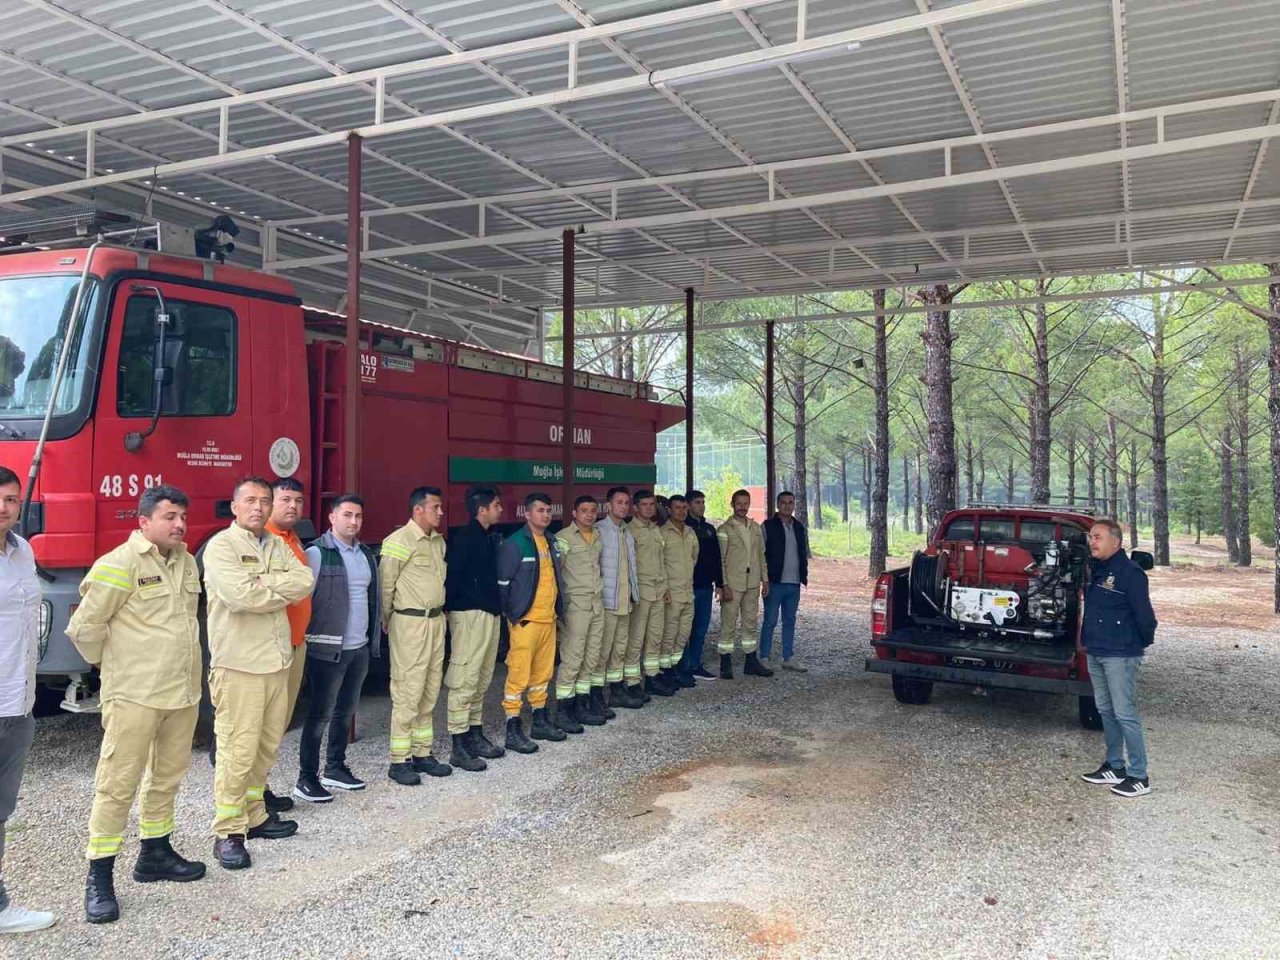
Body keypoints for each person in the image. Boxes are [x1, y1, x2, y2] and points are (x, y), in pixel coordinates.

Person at [67, 485, 206, 923]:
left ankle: (155, 853)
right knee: (118, 783)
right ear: (144, 522)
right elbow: (84, 628)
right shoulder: (119, 563)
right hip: (135, 696)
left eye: (183, 516)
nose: (179, 524)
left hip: (181, 693)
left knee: (167, 777)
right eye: (169, 516)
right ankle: (99, 876)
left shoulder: (186, 562)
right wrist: (116, 666)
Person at [202, 477, 315, 871]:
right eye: (249, 500)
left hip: (277, 660)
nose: (258, 507)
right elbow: (239, 596)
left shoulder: (277, 545)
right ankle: (228, 831)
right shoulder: (221, 547)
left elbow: (304, 581)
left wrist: (262, 584)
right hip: (240, 665)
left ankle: (254, 815)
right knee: (237, 750)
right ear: (234, 506)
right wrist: (276, 588)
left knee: (266, 745)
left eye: (264, 501)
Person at [293, 494, 381, 803]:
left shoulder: (365, 554)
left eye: (358, 516)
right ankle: (306, 778)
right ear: (332, 518)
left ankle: (335, 768)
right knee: (320, 715)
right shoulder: (317, 554)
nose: (354, 521)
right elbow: (304, 601)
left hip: (358, 648)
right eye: (347, 515)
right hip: (327, 650)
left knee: (346, 711)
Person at [0, 466, 55, 934]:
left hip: (18, 702)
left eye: (11, 499)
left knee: (1, 810)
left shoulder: (24, 551)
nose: (3, 507)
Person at [379, 487, 452, 787]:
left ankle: (423, 752)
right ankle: (399, 760)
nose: (441, 512)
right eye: (436, 507)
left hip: (435, 621)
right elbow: (386, 586)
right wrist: (387, 620)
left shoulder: (438, 542)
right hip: (410, 623)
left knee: (430, 689)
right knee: (408, 690)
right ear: (418, 510)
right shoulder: (398, 541)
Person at [1079, 518, 1156, 798]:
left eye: (1098, 537)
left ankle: (1139, 776)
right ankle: (1115, 765)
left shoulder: (1130, 573)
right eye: (1091, 537)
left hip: (1120, 654)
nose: (1092, 542)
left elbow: (1146, 618)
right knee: (1105, 710)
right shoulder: (1097, 569)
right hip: (1097, 650)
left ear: (1116, 541)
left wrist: (1135, 645)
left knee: (1125, 713)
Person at [496, 493, 567, 752]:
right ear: (527, 514)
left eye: (548, 510)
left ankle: (540, 720)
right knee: (518, 674)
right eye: (540, 510)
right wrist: (513, 614)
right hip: (525, 621)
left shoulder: (551, 541)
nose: (546, 515)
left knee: (542, 674)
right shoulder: (515, 544)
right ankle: (512, 727)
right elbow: (502, 585)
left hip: (548, 619)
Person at [443, 485, 506, 773]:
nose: (501, 509)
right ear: (482, 510)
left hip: (488, 615)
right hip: (470, 616)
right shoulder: (466, 539)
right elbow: (454, 580)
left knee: (481, 678)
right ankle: (458, 745)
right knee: (465, 679)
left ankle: (474, 734)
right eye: (496, 505)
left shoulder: (486, 537)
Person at [261, 476, 312, 815]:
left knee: (277, 723)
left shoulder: (293, 539)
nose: (293, 506)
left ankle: (260, 788)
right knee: (262, 725)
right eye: (285, 500)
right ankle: (252, 798)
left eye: (298, 501)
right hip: (272, 647)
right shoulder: (261, 541)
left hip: (296, 644)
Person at [553, 495, 606, 733]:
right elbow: (557, 572)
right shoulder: (563, 538)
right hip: (576, 605)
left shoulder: (597, 536)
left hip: (596, 603)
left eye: (593, 510)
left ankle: (581, 705)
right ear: (574, 513)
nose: (589, 514)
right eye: (584, 510)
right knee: (573, 657)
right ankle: (563, 710)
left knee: (591, 656)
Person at [716, 489, 771, 680]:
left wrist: (764, 579)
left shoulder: (755, 528)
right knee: (728, 623)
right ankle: (725, 662)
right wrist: (723, 584)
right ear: (732, 504)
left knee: (750, 623)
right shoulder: (724, 530)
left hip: (752, 583)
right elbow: (721, 560)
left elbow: (761, 555)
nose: (742, 507)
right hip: (733, 583)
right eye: (739, 503)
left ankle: (751, 661)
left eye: (745, 503)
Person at [595, 487, 640, 710]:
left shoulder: (626, 531)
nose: (624, 506)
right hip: (607, 601)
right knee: (602, 650)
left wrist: (634, 594)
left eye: (626, 503)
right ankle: (595, 694)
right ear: (608, 505)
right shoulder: (599, 531)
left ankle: (616, 690)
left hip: (624, 600)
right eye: (619, 502)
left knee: (620, 648)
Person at [627, 490, 671, 699]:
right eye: (643, 505)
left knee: (655, 636)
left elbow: (662, 562)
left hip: (658, 590)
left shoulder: (655, 529)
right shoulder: (630, 531)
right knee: (636, 638)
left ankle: (652, 677)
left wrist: (666, 587)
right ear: (635, 508)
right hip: (642, 591)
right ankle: (632, 681)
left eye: (651, 504)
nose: (648, 508)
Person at [677, 490, 723, 685]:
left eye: (703, 502)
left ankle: (695, 664)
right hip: (688, 586)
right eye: (697, 502)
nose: (701, 506)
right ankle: (682, 667)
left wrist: (719, 583)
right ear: (688, 505)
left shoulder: (709, 529)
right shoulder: (683, 528)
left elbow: (717, 559)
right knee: (683, 629)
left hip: (705, 586)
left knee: (701, 628)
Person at [760, 491, 809, 673]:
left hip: (794, 583)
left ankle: (788, 658)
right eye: (784, 502)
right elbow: (760, 554)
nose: (787, 506)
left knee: (790, 621)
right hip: (774, 583)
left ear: (794, 505)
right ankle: (764, 657)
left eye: (790, 502)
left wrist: (803, 576)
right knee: (770, 621)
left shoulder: (799, 527)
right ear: (777, 504)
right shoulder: (768, 526)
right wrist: (764, 579)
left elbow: (802, 553)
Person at [660, 495, 699, 690]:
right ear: (669, 509)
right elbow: (659, 563)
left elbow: (694, 558)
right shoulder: (662, 533)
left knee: (683, 634)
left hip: (687, 592)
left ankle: (675, 668)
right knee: (669, 635)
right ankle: (665, 671)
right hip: (671, 594)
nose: (682, 511)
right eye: (677, 508)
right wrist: (665, 588)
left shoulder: (690, 532)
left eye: (684, 507)